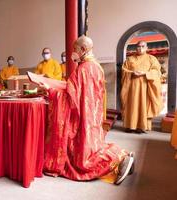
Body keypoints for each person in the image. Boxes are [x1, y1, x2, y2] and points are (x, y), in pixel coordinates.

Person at [40, 35, 134, 185]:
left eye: (75, 49)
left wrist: (50, 91)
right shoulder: (96, 66)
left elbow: (70, 97)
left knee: (84, 160)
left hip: (83, 115)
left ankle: (120, 159)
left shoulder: (83, 69)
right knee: (93, 145)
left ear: (83, 49)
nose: (73, 52)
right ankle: (122, 156)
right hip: (93, 113)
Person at [121, 41, 163, 133]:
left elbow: (157, 72)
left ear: (147, 48)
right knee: (131, 105)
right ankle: (130, 125)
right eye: (138, 46)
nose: (140, 48)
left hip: (145, 87)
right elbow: (124, 71)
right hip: (132, 87)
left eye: (143, 46)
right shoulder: (130, 59)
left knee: (144, 105)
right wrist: (132, 73)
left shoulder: (151, 59)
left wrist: (145, 73)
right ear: (136, 48)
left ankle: (142, 127)